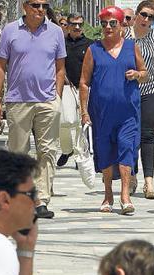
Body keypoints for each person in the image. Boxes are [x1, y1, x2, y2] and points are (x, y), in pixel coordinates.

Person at [0, 0, 66, 220]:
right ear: (25, 6)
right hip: (18, 100)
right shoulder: (10, 31)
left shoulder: (55, 32)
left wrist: (57, 97)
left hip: (47, 102)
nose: (40, 9)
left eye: (44, 5)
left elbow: (60, 68)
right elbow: (0, 66)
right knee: (18, 153)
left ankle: (41, 199)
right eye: (35, 5)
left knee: (47, 150)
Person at [80, 6, 147, 216]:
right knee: (106, 153)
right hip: (101, 113)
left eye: (112, 23)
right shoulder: (94, 50)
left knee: (127, 149)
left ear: (121, 26)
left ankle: (125, 196)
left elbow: (145, 72)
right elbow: (84, 82)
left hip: (128, 112)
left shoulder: (131, 46)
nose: (107, 27)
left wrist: (137, 73)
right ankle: (108, 194)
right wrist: (84, 111)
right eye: (104, 24)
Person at [126, 1, 154, 200]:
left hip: (150, 89)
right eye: (143, 15)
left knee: (148, 135)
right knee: (130, 135)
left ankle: (149, 181)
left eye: (151, 17)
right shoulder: (124, 36)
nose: (146, 20)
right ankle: (131, 175)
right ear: (136, 15)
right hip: (128, 91)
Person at [58, 13, 94, 169]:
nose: (77, 27)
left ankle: (81, 154)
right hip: (66, 87)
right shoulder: (61, 43)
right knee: (64, 121)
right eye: (73, 24)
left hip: (85, 88)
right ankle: (67, 150)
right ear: (68, 25)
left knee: (82, 122)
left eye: (80, 24)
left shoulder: (91, 45)